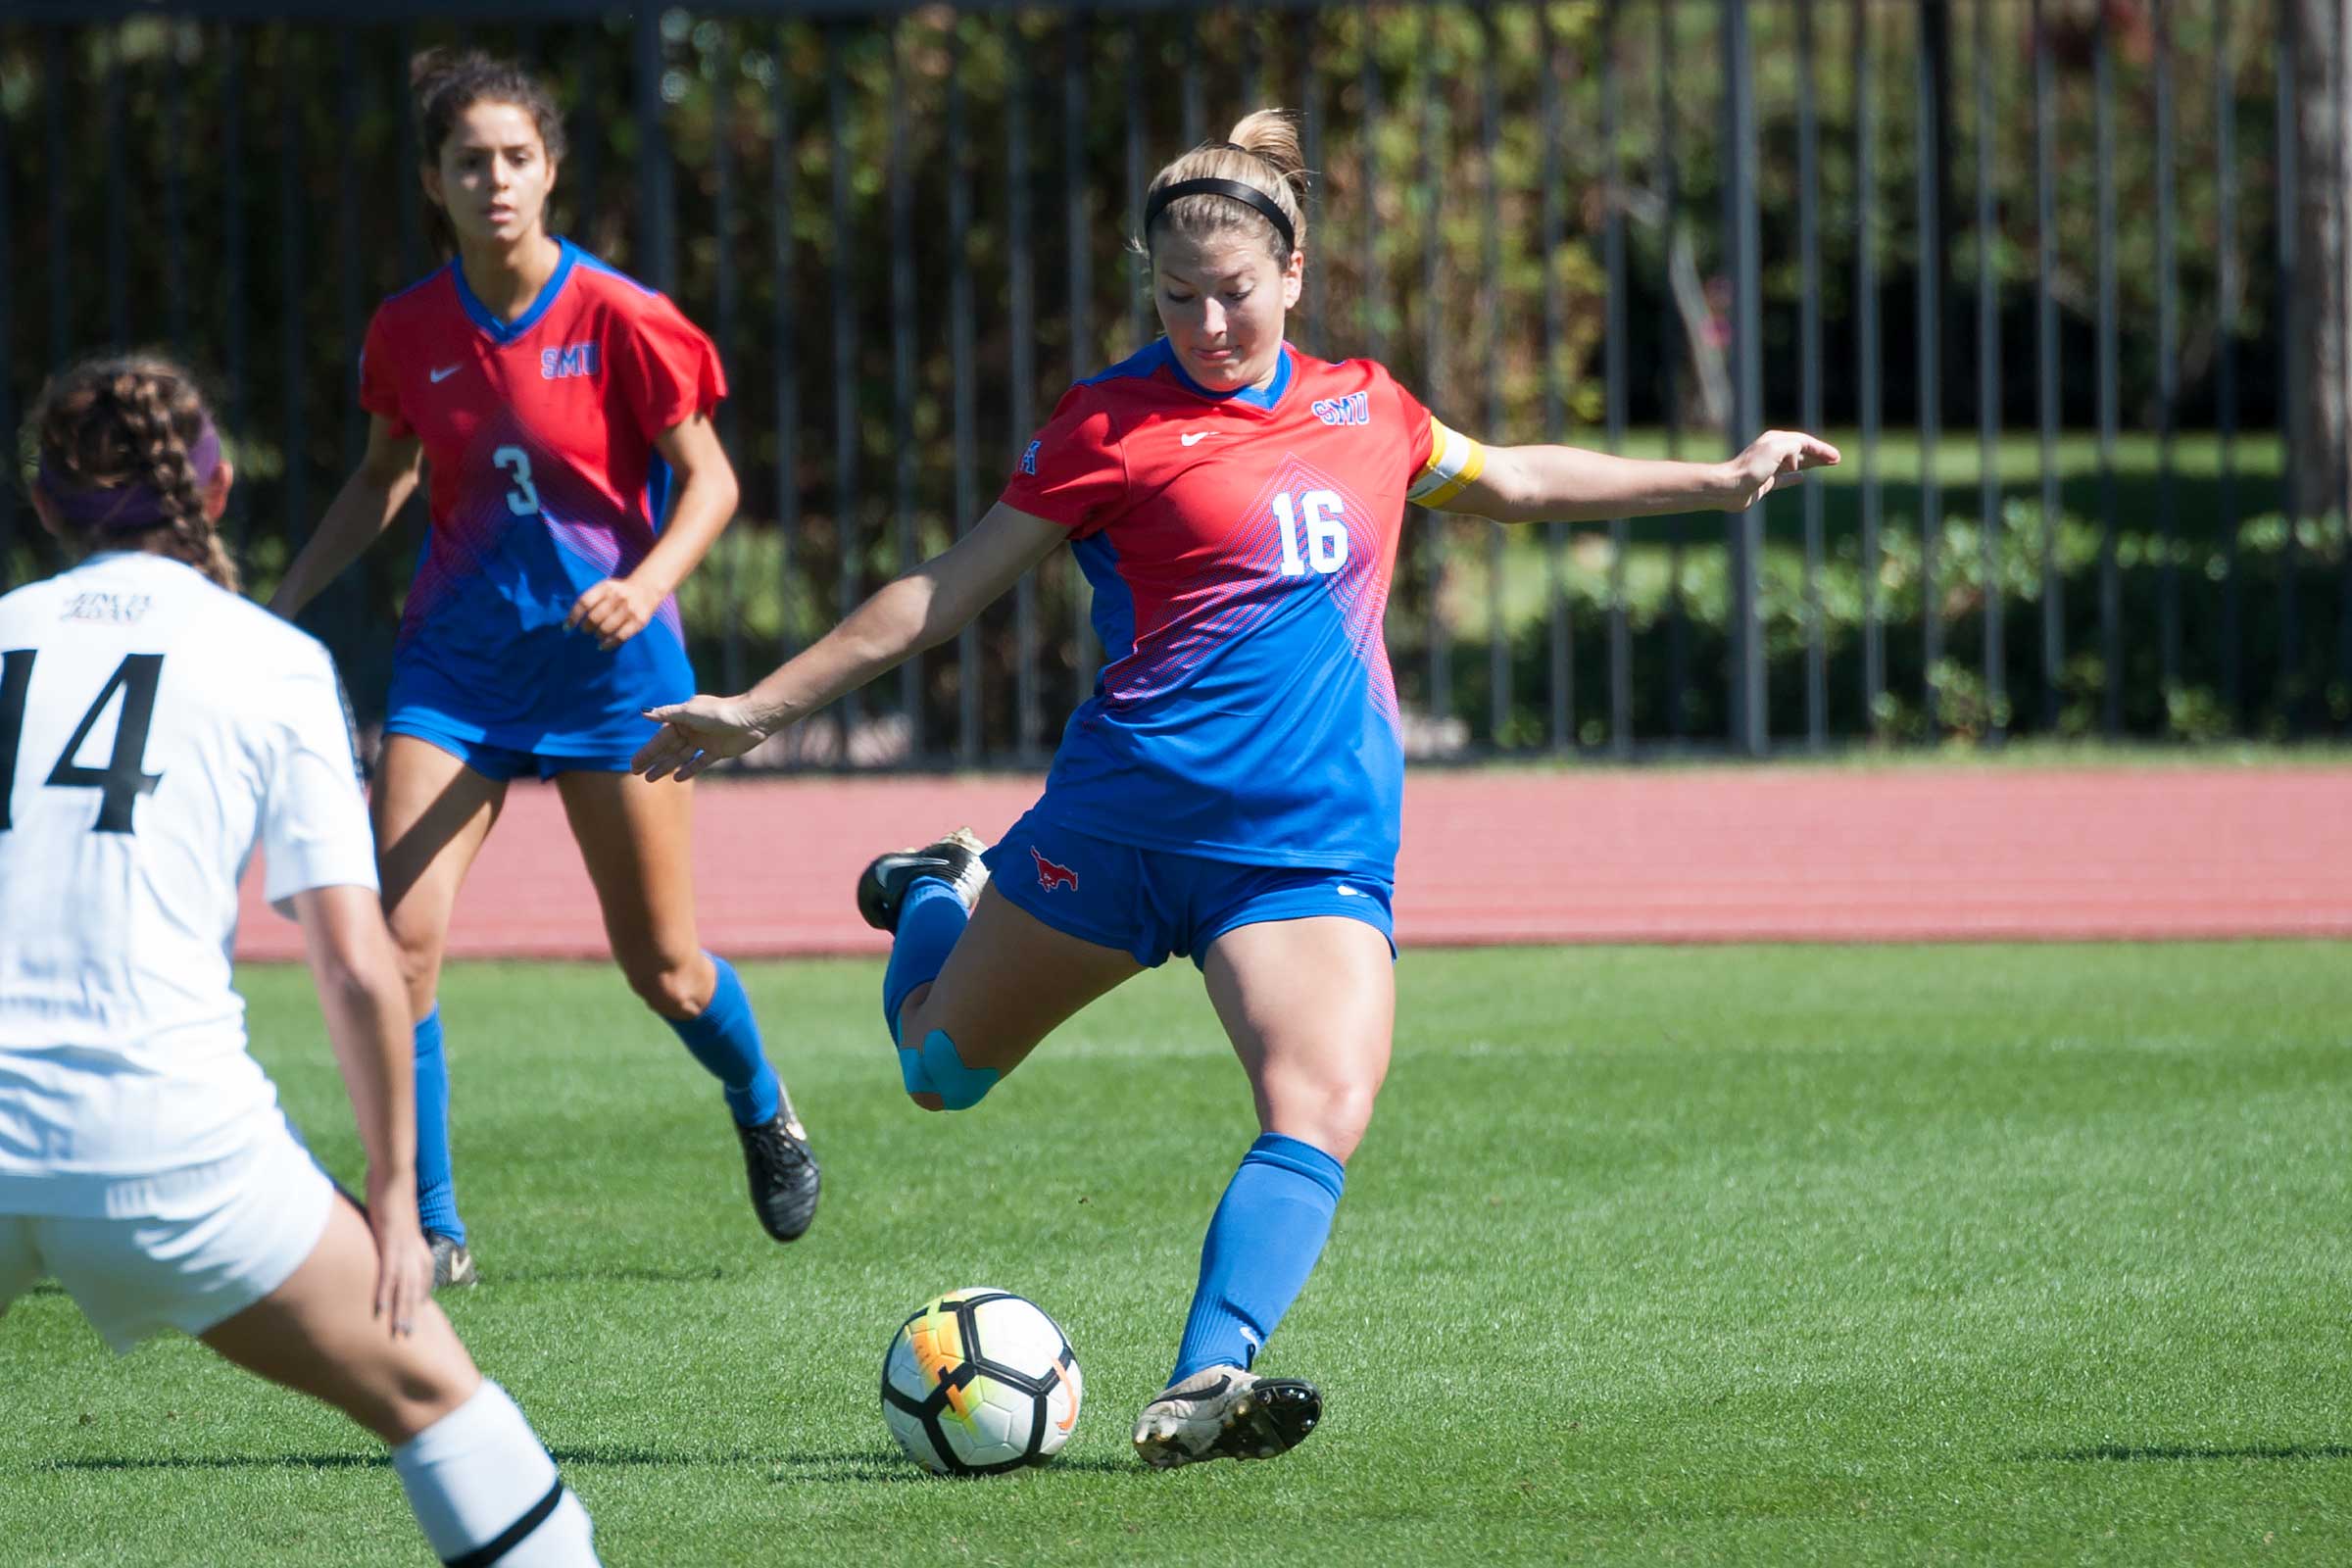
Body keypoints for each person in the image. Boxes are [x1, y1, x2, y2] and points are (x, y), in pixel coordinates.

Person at [634, 111, 1838, 1468]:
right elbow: (942, 593)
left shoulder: (1370, 407)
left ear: (1295, 273)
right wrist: (757, 708)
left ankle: (1206, 1376)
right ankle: (935, 890)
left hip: (1304, 849)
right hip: (1121, 828)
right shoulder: (1106, 424)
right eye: (1175, 296)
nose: (1207, 324)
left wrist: (1717, 478)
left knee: (1321, 1103)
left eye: (1234, 293)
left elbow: (1510, 478)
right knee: (934, 1072)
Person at [0, 354, 600, 1564]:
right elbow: (358, 965)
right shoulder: (269, 660)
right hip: (174, 1143)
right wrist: (393, 1194)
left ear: (48, 501)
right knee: (440, 1405)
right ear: (215, 490)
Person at [270, 51, 817, 1288]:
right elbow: (384, 477)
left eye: (517, 157)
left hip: (611, 678)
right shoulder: (409, 329)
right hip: (455, 672)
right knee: (398, 945)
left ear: (551, 169)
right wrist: (282, 603)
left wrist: (648, 581)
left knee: (665, 968)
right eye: (469, 161)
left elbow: (712, 482)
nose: (496, 180)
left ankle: (761, 1101)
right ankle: (430, 1225)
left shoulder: (623, 316)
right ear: (434, 181)